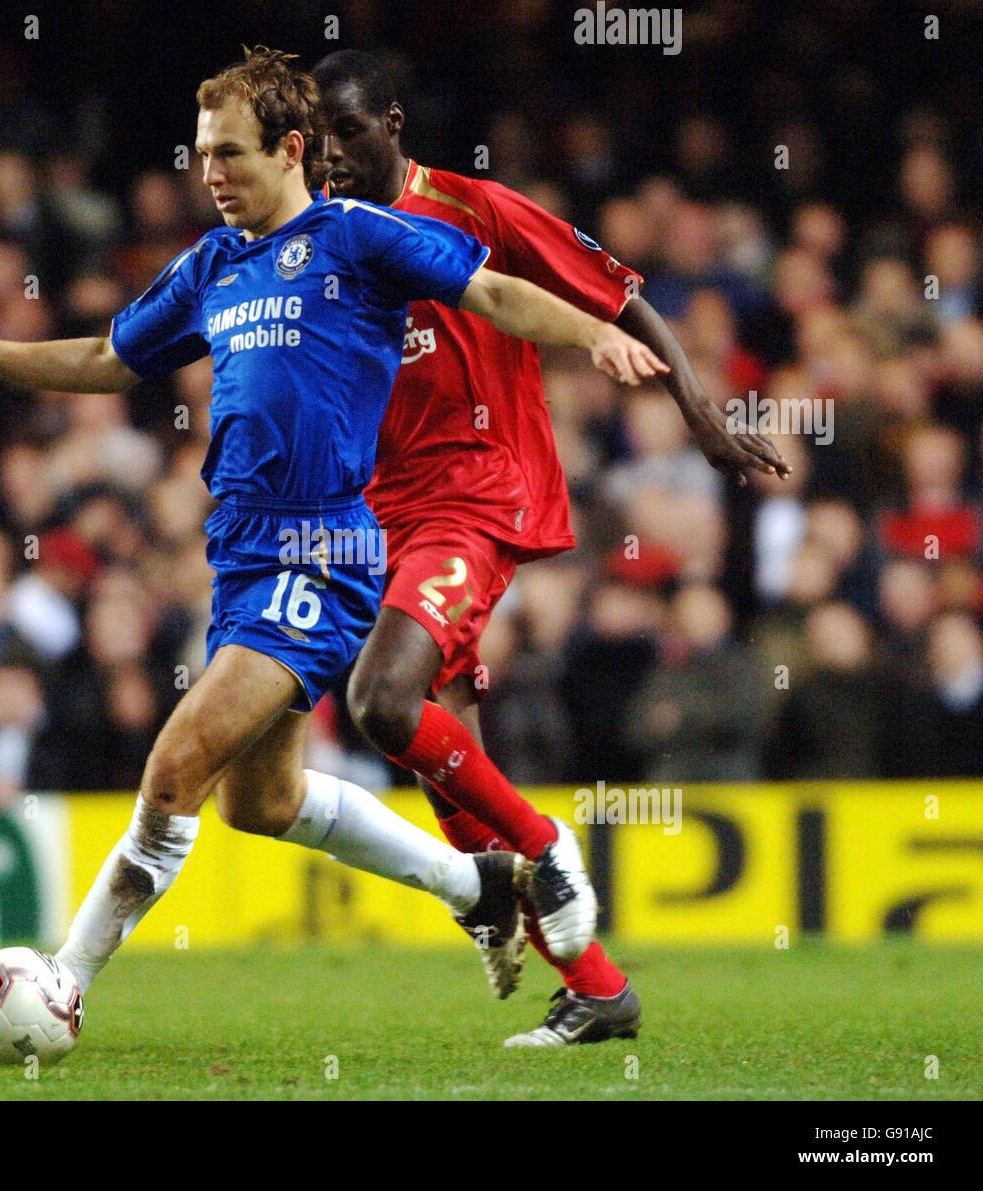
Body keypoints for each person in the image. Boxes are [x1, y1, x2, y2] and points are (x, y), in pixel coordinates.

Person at [0, 47, 667, 1037]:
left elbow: (492, 292)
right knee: (259, 803)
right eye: (199, 153)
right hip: (242, 560)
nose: (209, 172)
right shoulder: (211, 265)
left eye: (228, 152)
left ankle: (67, 981)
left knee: (175, 768)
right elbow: (103, 357)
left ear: (290, 149)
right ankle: (474, 885)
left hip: (323, 556)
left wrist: (592, 332)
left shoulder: (357, 238)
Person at [312, 50, 791, 1046]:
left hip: (475, 494)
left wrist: (696, 411)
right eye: (315, 143)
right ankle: (597, 987)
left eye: (349, 136)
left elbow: (616, 292)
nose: (332, 157)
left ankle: (537, 852)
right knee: (433, 748)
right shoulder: (313, 235)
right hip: (381, 512)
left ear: (392, 125)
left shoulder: (474, 209)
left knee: (383, 699)